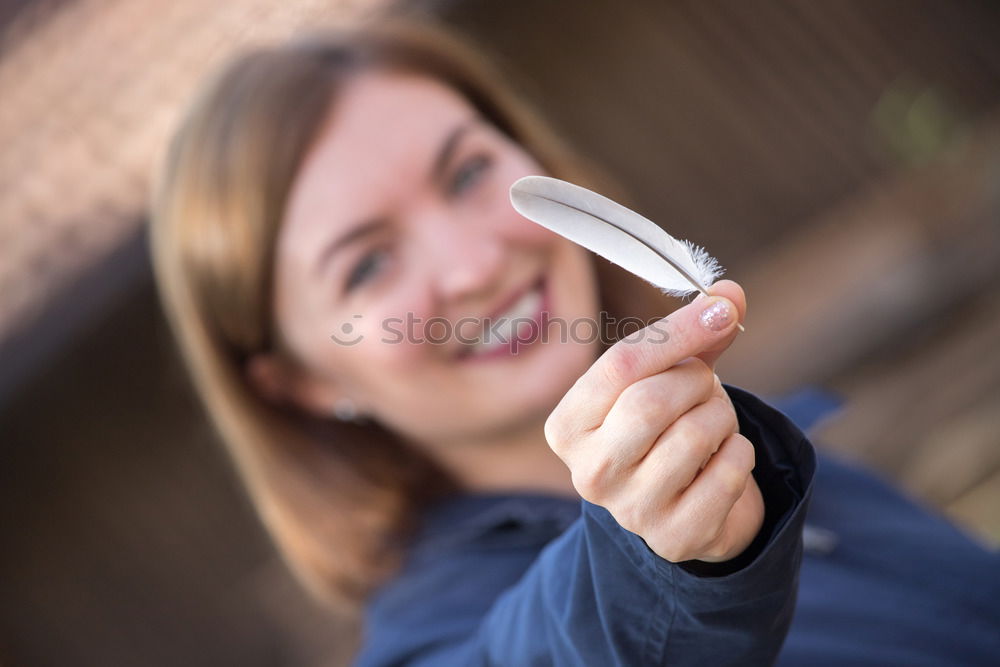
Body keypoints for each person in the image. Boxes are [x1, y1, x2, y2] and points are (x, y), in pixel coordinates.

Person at [149, 18, 1000, 666]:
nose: (477, 263)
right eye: (367, 264)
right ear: (297, 383)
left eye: (471, 171)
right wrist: (658, 565)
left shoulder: (767, 446)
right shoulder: (438, 638)